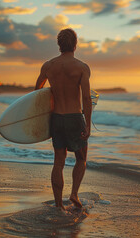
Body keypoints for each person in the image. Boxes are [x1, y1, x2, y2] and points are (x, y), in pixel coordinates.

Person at [34, 28, 92, 210]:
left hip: (57, 118)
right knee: (81, 158)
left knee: (58, 162)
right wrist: (88, 125)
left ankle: (59, 205)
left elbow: (37, 92)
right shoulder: (82, 67)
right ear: (75, 44)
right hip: (75, 118)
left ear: (59, 45)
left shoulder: (48, 66)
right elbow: (86, 98)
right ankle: (74, 194)